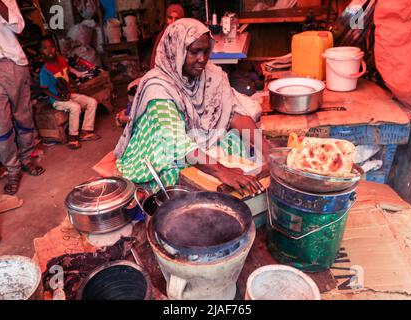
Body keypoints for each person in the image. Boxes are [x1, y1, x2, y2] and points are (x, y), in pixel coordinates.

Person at [115, 18, 271, 196]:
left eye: (206, 51)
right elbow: (175, 142)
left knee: (238, 141)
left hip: (197, 139)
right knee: (177, 171)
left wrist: (267, 150)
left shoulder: (211, 75)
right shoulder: (158, 87)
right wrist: (221, 171)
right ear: (176, 51)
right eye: (195, 52)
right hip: (163, 144)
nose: (202, 59)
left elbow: (235, 114)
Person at [0, 0, 45, 195]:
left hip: (15, 63)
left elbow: (18, 26)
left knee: (23, 116)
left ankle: (26, 159)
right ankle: (12, 170)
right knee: (2, 123)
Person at [39, 36, 100, 150]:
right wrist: (58, 97)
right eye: (45, 48)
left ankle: (85, 131)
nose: (50, 50)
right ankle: (73, 137)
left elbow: (68, 74)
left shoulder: (61, 61)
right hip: (57, 100)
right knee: (75, 107)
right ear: (41, 52)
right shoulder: (45, 71)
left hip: (69, 94)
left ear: (55, 48)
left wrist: (75, 85)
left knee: (92, 102)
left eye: (52, 46)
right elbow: (44, 89)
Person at [150, 3, 185, 68]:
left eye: (177, 19)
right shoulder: (162, 35)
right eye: (170, 18)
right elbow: (154, 59)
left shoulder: (186, 35)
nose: (173, 22)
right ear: (166, 19)